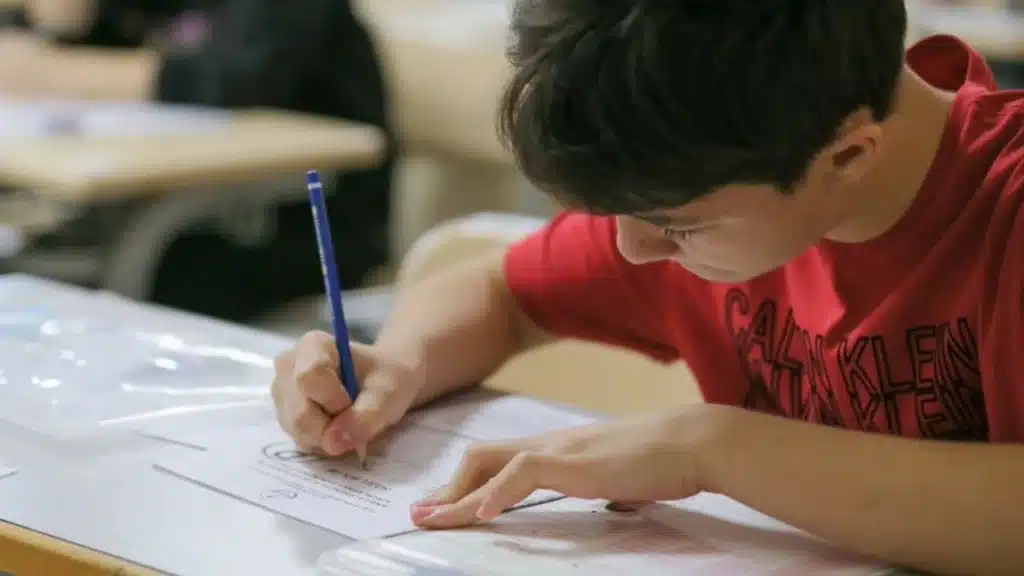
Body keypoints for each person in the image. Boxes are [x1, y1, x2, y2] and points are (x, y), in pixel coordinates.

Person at [271, 1, 1024, 574]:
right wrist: (399, 366)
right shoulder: (721, 168)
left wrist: (712, 447)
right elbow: (499, 290)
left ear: (849, 154)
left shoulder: (1003, 209)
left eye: (675, 225)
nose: (634, 250)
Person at [0, 0, 394, 322]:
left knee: (100, 288)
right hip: (172, 210)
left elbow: (232, 78)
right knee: (33, 266)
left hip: (307, 223)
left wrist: (53, 69)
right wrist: (67, 23)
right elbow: (110, 46)